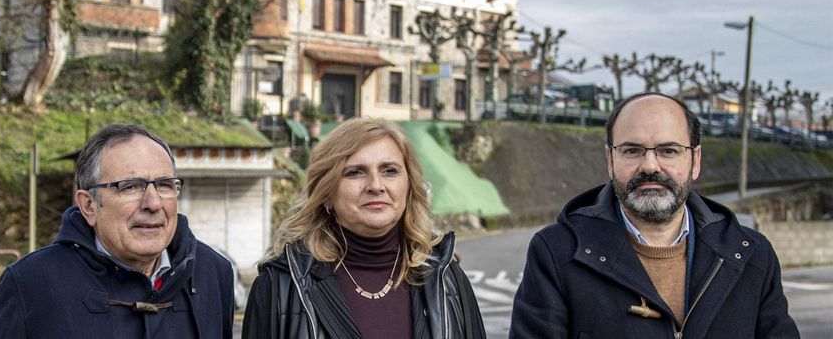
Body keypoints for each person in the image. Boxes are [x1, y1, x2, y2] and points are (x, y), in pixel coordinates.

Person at [509, 92, 799, 339]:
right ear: (610, 160)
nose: (649, 165)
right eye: (632, 150)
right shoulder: (556, 252)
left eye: (668, 151)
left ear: (695, 160)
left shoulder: (751, 256)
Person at [0, 124, 235, 338]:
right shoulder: (31, 283)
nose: (154, 203)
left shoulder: (212, 273)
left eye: (165, 185)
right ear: (89, 205)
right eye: (130, 186)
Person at [242, 117, 486, 339]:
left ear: (409, 185)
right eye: (355, 172)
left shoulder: (447, 278)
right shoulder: (279, 287)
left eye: (389, 170)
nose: (376, 186)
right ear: (326, 194)